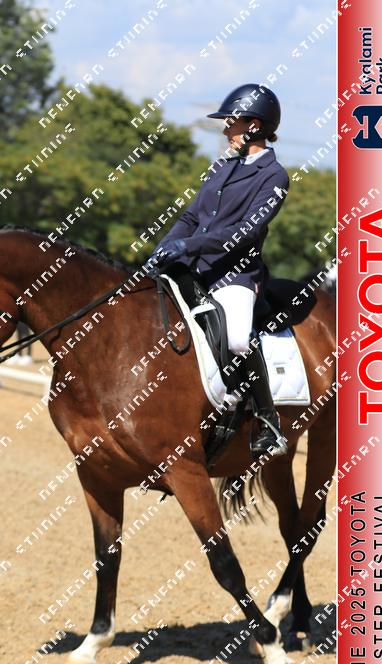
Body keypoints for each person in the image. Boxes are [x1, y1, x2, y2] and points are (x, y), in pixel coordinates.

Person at [144, 83, 289, 458]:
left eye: (232, 123)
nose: (226, 130)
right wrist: (165, 247)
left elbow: (247, 232)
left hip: (233, 274)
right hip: (190, 266)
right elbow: (191, 217)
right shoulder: (222, 166)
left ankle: (268, 420)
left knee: (238, 339)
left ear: (254, 126)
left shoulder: (274, 176)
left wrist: (188, 246)